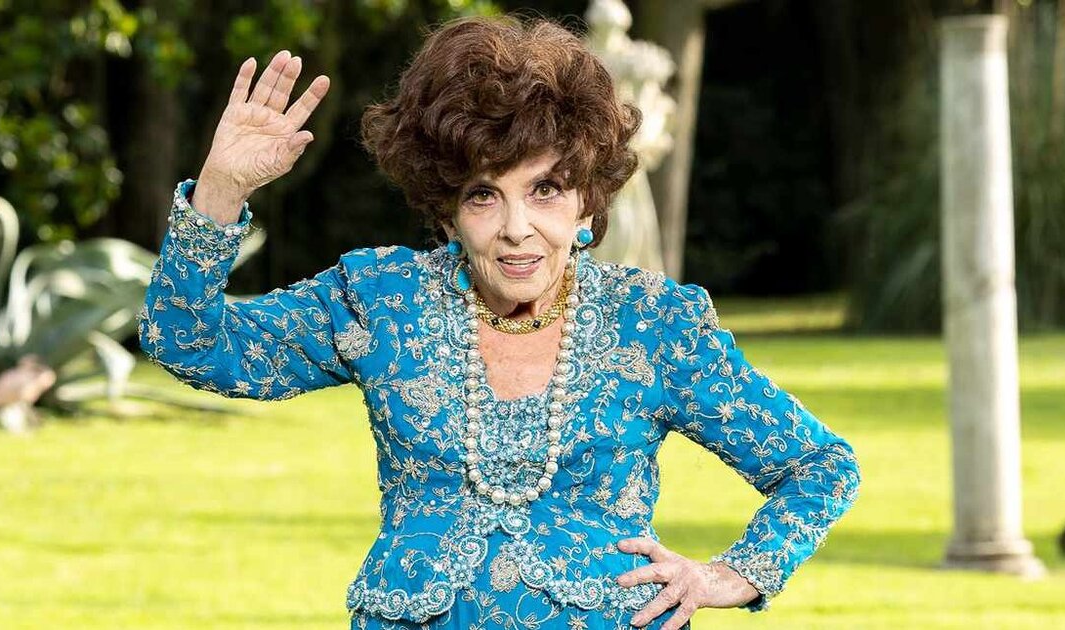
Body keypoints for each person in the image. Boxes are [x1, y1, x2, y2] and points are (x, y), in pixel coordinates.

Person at [137, 15, 860, 630]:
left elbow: (819, 466)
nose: (517, 228)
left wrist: (732, 575)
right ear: (446, 207)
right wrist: (221, 190)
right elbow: (190, 343)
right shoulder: (381, 300)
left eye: (546, 190)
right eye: (484, 195)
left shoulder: (652, 324)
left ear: (586, 201)